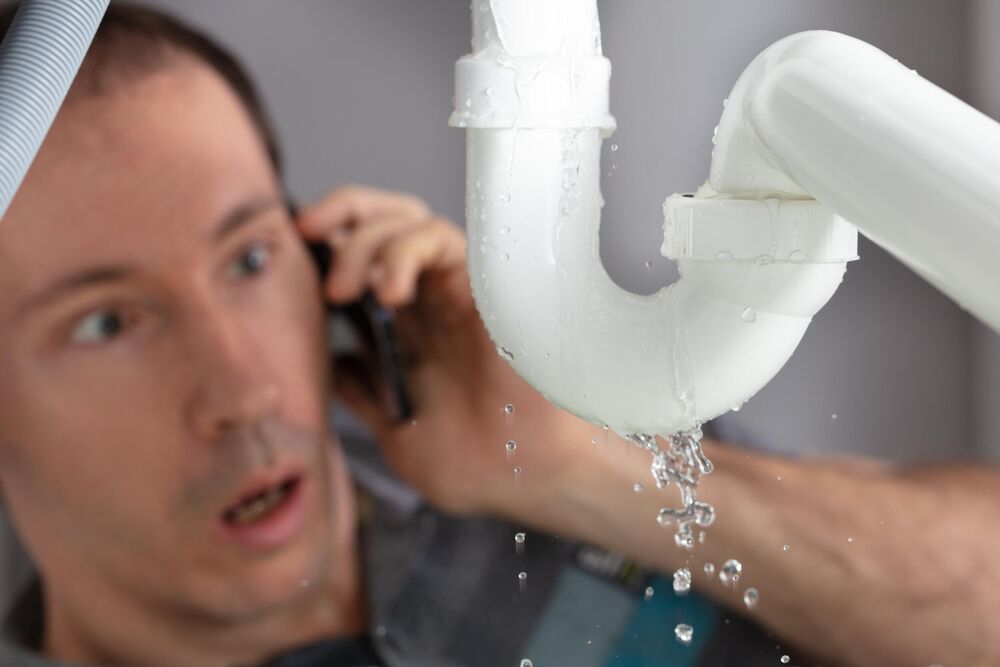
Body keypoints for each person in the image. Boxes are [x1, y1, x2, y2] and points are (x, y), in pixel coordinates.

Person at [0, 4, 996, 667]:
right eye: (106, 322)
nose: (244, 390)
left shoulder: (549, 425)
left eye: (250, 258)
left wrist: (579, 468)